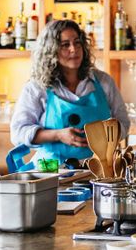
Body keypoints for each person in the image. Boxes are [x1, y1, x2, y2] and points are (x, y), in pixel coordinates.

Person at [10, 19, 129, 166]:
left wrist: (106, 136)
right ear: (50, 51)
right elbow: (18, 133)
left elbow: (123, 122)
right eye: (65, 45)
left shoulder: (103, 82)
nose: (74, 49)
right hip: (51, 171)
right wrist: (58, 135)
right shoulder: (36, 87)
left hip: (100, 168)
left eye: (77, 42)